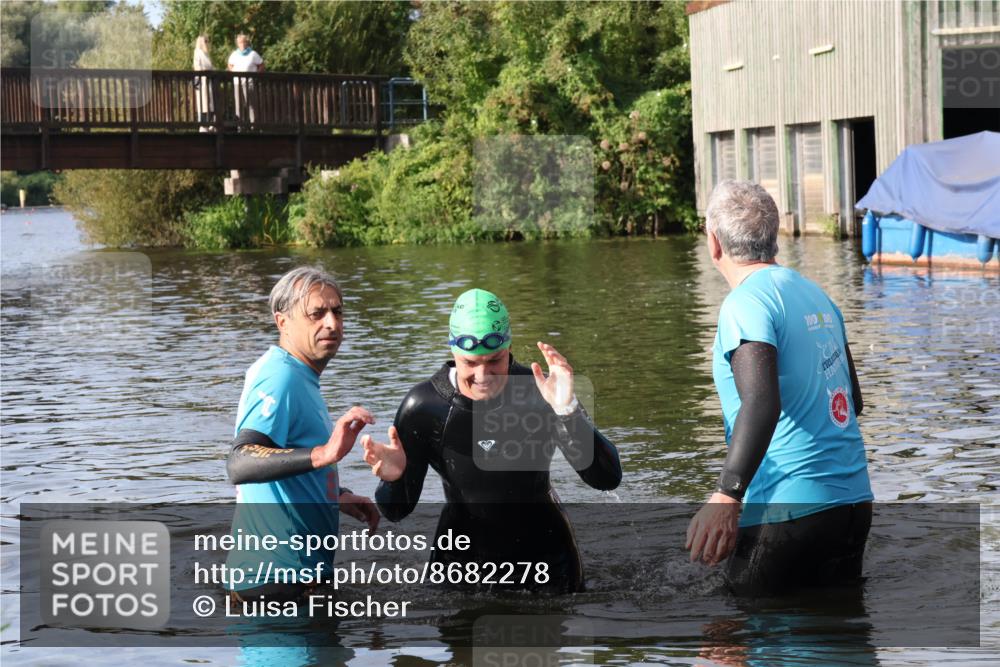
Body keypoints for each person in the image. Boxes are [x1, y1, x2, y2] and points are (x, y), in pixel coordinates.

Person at [362, 288, 622, 594]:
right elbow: (395, 511)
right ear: (452, 350)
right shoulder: (424, 407)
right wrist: (395, 479)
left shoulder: (540, 392)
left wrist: (568, 411)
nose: (483, 375)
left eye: (495, 361)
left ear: (508, 348)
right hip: (459, 560)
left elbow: (606, 478)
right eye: (470, 363)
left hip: (548, 558)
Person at [685, 180, 873, 596]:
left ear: (713, 242)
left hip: (789, 509)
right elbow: (852, 402)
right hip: (854, 505)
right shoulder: (817, 295)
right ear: (773, 237)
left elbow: (761, 403)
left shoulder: (744, 304)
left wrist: (726, 496)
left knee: (734, 637)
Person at [224, 266, 380, 603]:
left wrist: (334, 495)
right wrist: (324, 454)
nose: (332, 323)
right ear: (283, 322)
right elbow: (241, 461)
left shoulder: (298, 375)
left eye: (337, 311)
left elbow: (283, 465)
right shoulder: (279, 376)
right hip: (274, 583)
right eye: (317, 313)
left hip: (290, 580)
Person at [227, 33, 264, 126]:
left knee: (251, 104)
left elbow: (261, 65)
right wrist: (233, 72)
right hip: (237, 83)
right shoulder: (235, 54)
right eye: (240, 42)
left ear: (247, 43)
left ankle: (253, 125)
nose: (242, 44)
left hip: (249, 82)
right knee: (238, 105)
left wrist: (255, 74)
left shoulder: (253, 54)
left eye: (243, 42)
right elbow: (230, 64)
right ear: (237, 44)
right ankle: (240, 126)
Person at [193, 35, 214, 132]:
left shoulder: (206, 53)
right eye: (205, 41)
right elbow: (197, 66)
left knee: (209, 103)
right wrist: (204, 71)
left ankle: (210, 123)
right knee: (202, 102)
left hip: (208, 80)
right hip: (202, 81)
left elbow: (210, 66)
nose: (207, 43)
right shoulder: (198, 52)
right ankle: (203, 124)